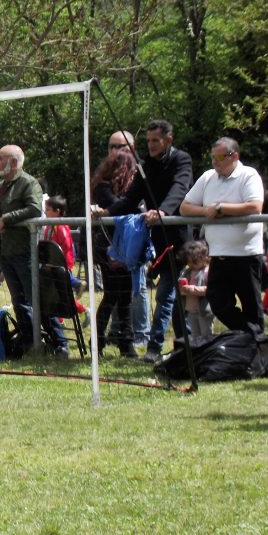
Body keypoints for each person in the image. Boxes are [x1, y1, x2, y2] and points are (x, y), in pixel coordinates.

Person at [102, 120, 193, 362]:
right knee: (171, 297)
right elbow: (131, 199)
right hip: (157, 241)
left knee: (165, 294)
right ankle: (184, 346)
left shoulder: (181, 160)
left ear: (168, 140)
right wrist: (106, 212)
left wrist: (163, 211)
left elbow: (179, 188)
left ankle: (155, 348)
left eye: (156, 140)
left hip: (180, 240)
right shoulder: (145, 166)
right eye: (148, 141)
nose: (151, 145)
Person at [0, 144, 67, 356]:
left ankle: (60, 342)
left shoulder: (29, 183)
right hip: (6, 253)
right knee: (19, 302)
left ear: (13, 162)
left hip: (26, 252)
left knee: (38, 299)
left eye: (0, 159)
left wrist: (7, 219)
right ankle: (29, 341)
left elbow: (34, 208)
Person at [179, 136, 265, 336]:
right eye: (212, 158)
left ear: (234, 156)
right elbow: (185, 207)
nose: (214, 162)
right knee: (218, 303)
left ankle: (257, 348)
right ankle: (252, 337)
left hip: (246, 256)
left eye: (219, 158)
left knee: (252, 308)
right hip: (218, 256)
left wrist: (221, 208)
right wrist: (207, 211)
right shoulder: (208, 177)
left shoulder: (248, 175)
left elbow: (254, 206)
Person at [89, 148, 138, 357]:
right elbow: (120, 207)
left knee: (124, 297)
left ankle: (125, 343)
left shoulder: (129, 190)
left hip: (126, 247)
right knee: (111, 295)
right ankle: (98, 342)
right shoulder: (103, 187)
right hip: (108, 248)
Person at [178, 239, 214, 342]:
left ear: (204, 258)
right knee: (195, 336)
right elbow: (183, 290)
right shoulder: (187, 272)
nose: (191, 265)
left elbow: (210, 289)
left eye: (194, 262)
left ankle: (207, 354)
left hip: (204, 311)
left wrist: (192, 289)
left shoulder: (207, 272)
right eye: (188, 262)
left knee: (206, 335)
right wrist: (181, 289)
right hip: (191, 310)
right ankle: (197, 355)